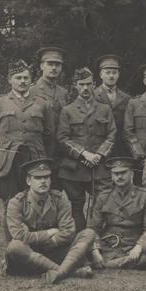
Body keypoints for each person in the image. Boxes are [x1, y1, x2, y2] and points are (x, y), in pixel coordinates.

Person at [0, 60, 55, 240]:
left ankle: (34, 247)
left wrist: (46, 159)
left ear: (30, 80)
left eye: (25, 77)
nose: (22, 81)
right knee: (11, 204)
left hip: (34, 160)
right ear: (10, 80)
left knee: (34, 203)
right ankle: (11, 250)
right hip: (8, 162)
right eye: (18, 77)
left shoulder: (43, 104)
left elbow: (50, 136)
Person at [5, 158, 95, 283]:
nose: (43, 181)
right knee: (15, 246)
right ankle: (69, 272)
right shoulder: (16, 203)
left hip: (55, 251)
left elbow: (68, 231)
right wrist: (49, 233)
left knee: (88, 233)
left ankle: (57, 273)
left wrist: (48, 242)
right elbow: (19, 235)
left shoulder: (59, 198)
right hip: (30, 255)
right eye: (37, 178)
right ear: (28, 180)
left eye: (46, 177)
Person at [57, 67, 116, 232]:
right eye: (81, 84)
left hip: (99, 166)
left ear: (94, 85)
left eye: (88, 84)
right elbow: (62, 138)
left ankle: (97, 236)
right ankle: (80, 240)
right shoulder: (67, 110)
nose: (85, 88)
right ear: (75, 85)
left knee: (102, 202)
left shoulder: (105, 109)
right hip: (74, 168)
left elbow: (111, 135)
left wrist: (99, 154)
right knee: (77, 205)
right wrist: (84, 154)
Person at [88, 157, 146, 269]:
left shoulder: (145, 195)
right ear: (111, 176)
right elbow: (93, 228)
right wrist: (95, 252)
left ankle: (107, 264)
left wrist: (139, 246)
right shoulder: (103, 196)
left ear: (132, 174)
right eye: (115, 174)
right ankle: (118, 263)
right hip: (109, 245)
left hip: (133, 245)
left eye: (123, 173)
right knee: (83, 246)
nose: (119, 176)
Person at [93, 54, 131, 157]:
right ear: (101, 74)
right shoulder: (93, 95)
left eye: (114, 72)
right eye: (108, 72)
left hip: (120, 147)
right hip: (98, 146)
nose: (111, 76)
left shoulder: (126, 98)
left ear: (119, 74)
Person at [30, 46, 68, 121]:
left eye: (57, 64)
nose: (54, 68)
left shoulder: (63, 92)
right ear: (42, 66)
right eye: (50, 64)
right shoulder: (31, 90)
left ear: (61, 67)